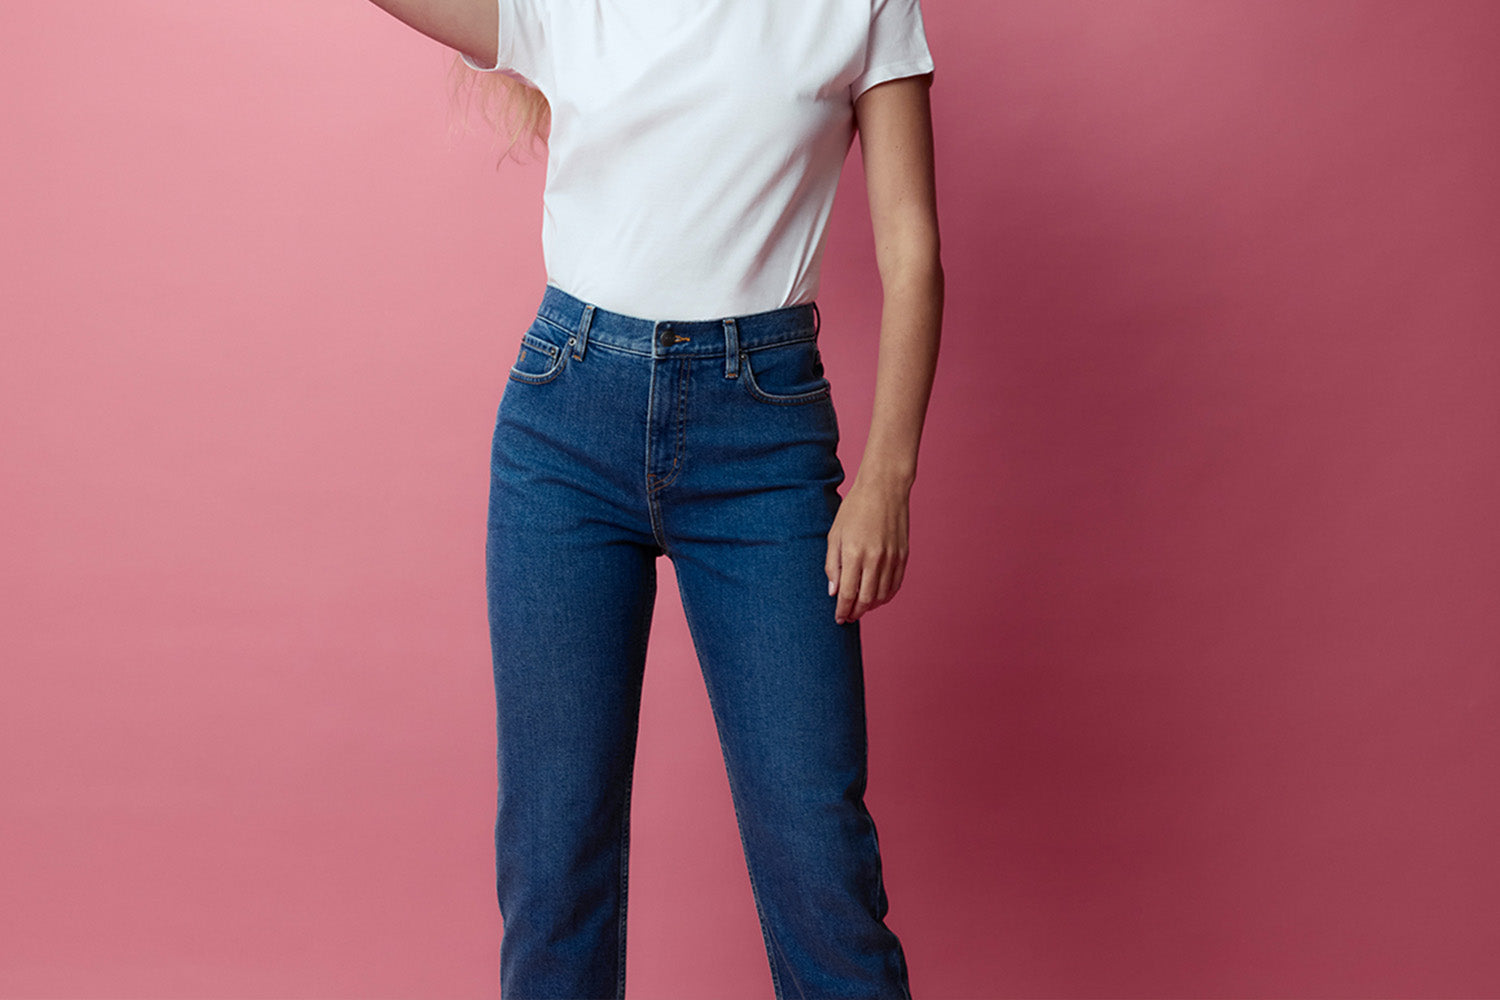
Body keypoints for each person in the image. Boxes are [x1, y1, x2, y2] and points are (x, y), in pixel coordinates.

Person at [368, 1, 943, 996]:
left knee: (820, 857)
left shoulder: (858, 7)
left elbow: (912, 253)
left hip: (764, 443)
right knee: (553, 862)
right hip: (565, 433)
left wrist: (888, 475)